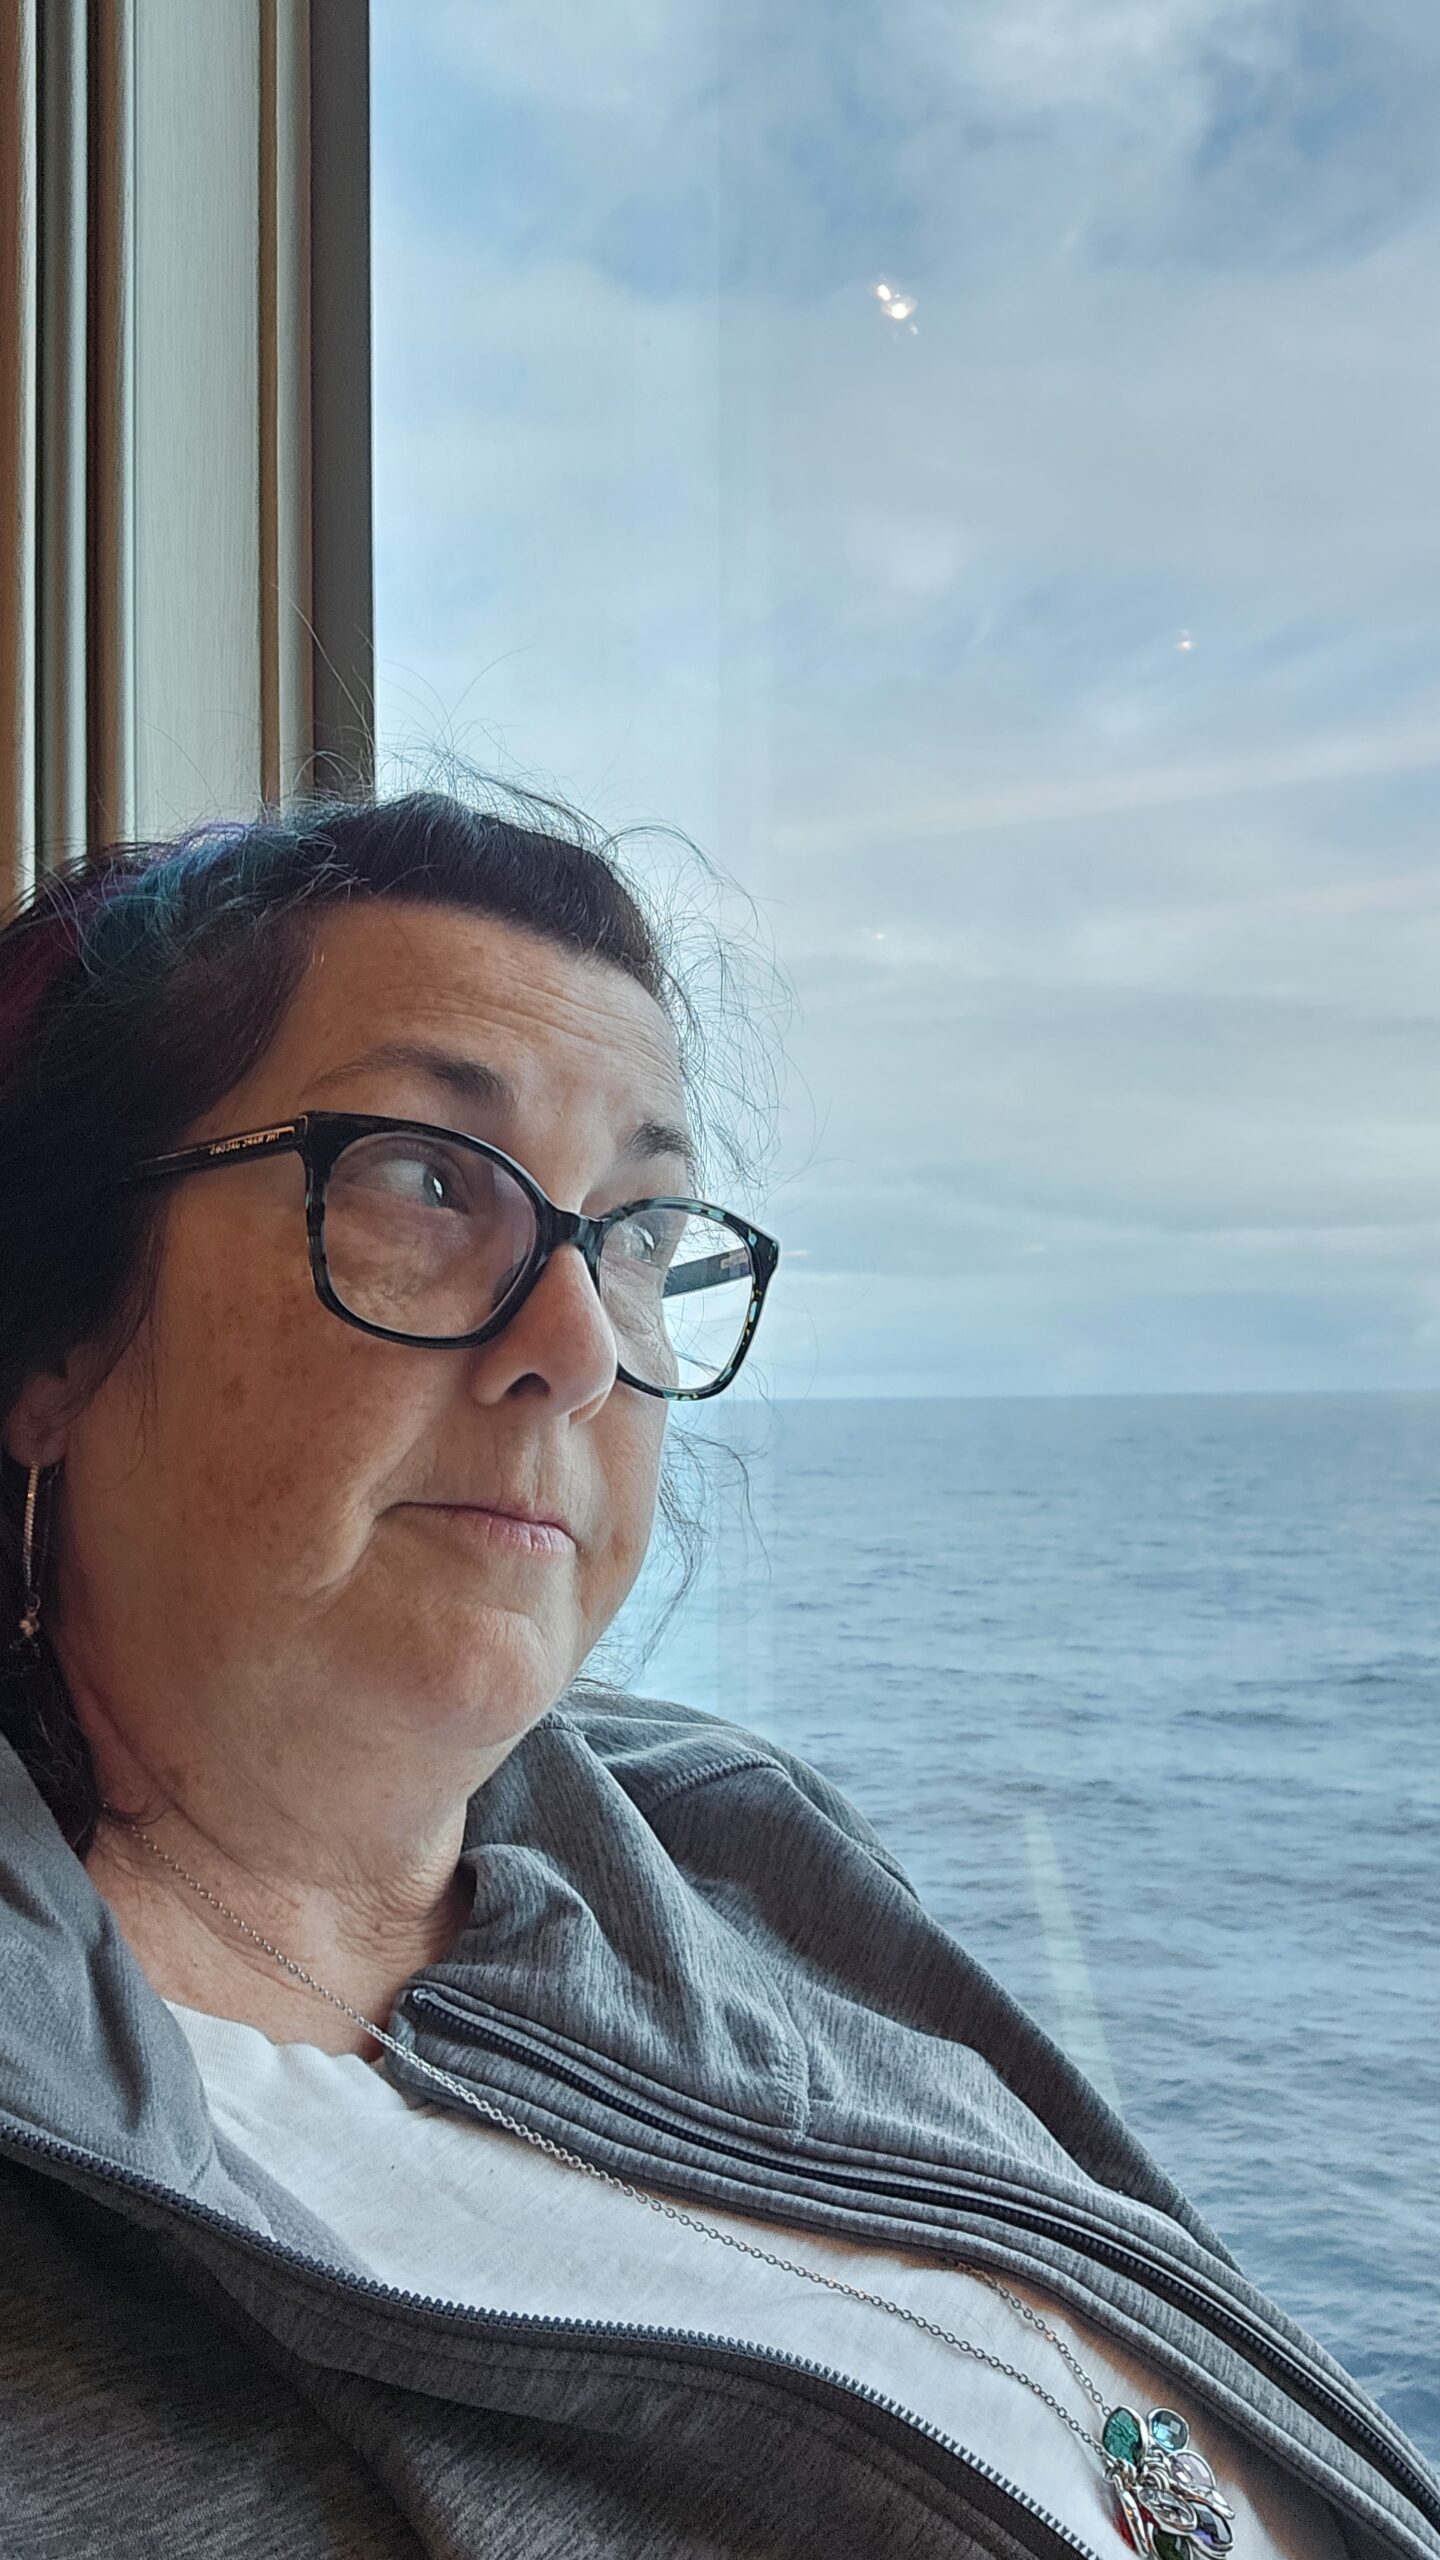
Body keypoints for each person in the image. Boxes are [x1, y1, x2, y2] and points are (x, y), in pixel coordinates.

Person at [0, 791, 1433, 2560]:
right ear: (50, 1333)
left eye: (638, 1235)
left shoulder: (736, 1848)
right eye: (424, 1179)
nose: (581, 1344)